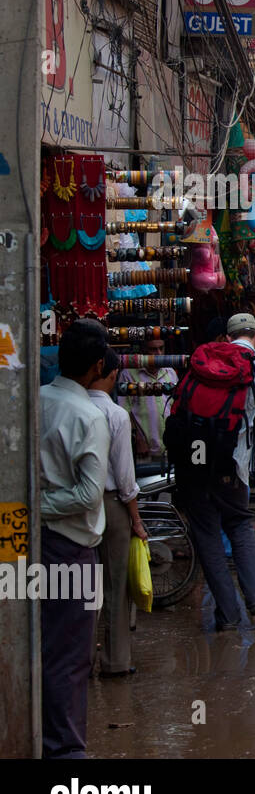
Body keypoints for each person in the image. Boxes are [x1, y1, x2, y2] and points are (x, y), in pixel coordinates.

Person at [173, 313, 255, 630]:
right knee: (239, 524)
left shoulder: (203, 364)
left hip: (192, 465)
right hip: (233, 465)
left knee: (207, 538)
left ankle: (228, 614)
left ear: (226, 336)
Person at [39, 319, 111, 758]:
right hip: (70, 546)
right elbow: (88, 495)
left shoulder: (35, 401)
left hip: (30, 544)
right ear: (97, 365)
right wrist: (41, 507)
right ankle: (64, 751)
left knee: (41, 644)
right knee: (70, 656)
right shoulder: (89, 416)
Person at [87, 348, 148, 677]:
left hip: (74, 507)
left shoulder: (59, 405)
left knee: (79, 584)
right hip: (111, 504)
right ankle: (115, 661)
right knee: (114, 586)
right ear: (109, 373)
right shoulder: (114, 414)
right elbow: (126, 479)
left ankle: (80, 658)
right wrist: (136, 519)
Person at [117, 335, 179, 466]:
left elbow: (176, 406)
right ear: (144, 351)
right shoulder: (128, 374)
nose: (158, 353)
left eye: (161, 348)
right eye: (153, 349)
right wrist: (138, 439)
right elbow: (124, 411)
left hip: (170, 448)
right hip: (145, 450)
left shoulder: (170, 372)